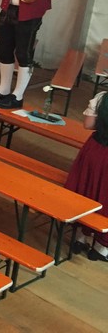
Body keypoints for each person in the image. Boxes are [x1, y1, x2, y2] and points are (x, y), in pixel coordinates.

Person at [66, 92, 108, 262]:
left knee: (86, 188)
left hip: (95, 150)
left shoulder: (103, 97)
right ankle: (100, 248)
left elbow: (88, 124)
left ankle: (79, 238)